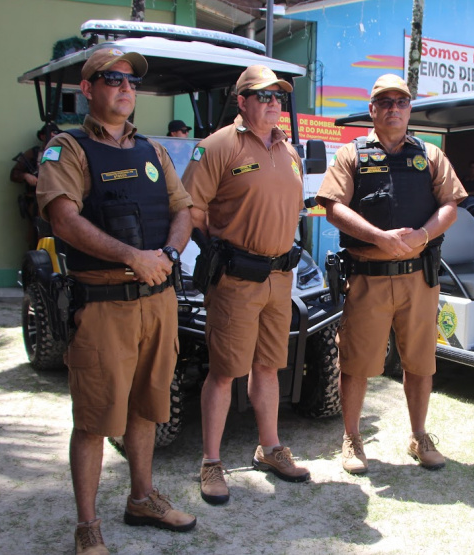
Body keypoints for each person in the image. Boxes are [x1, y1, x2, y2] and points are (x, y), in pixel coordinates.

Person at [35, 49, 196, 555]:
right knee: (94, 419)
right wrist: (133, 256)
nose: (126, 88)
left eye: (131, 81)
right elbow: (63, 219)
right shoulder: (68, 149)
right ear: (88, 89)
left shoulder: (152, 151)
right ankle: (88, 527)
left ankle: (141, 497)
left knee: (148, 406)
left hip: (158, 300)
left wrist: (168, 253)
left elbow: (183, 208)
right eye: (113, 79)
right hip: (104, 304)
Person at [316, 74, 466, 475]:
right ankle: (351, 438)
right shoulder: (351, 155)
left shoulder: (430, 155)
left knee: (420, 361)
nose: (393, 108)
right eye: (384, 102)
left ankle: (419, 436)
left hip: (419, 278)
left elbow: (450, 204)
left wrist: (423, 233)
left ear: (409, 108)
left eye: (400, 102)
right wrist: (379, 237)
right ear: (372, 110)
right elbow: (332, 206)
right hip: (368, 278)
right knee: (357, 362)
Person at [182, 65, 310, 505]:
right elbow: (191, 210)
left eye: (278, 96)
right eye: (263, 95)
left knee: (269, 367)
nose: (273, 102)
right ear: (241, 101)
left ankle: (270, 448)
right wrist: (214, 250)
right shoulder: (217, 146)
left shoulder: (288, 151)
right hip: (236, 279)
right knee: (223, 372)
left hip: (280, 279)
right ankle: (211, 461)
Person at [11, 123, 61, 249]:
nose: (53, 136)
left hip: (58, 201)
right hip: (35, 202)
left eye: (55, 134)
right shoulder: (33, 153)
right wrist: (26, 176)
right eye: (50, 134)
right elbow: (14, 174)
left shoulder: (63, 153)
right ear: (42, 136)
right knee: (36, 235)